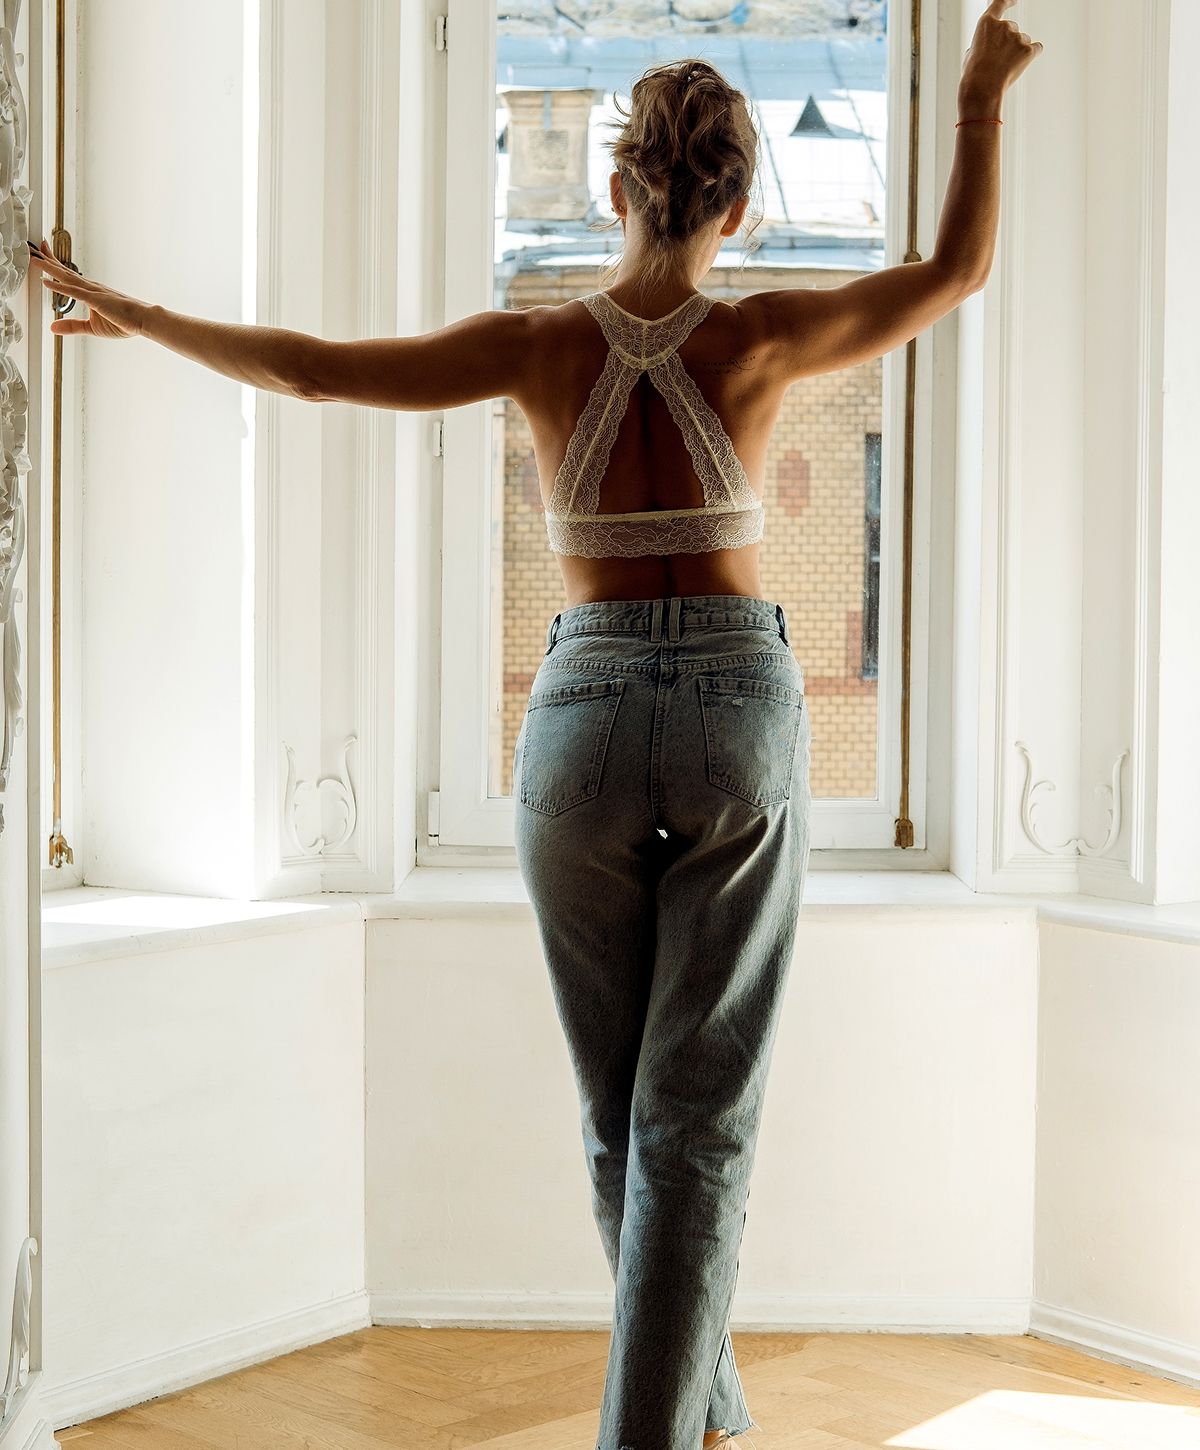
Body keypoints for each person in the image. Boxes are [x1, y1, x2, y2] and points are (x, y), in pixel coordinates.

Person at [27, 5, 1040, 1445]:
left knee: (620, 1115)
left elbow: (312, 366)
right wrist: (983, 93)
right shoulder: (760, 337)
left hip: (578, 720)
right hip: (738, 712)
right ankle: (666, 1427)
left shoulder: (540, 348)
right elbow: (956, 268)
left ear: (620, 188)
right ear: (737, 204)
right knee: (700, 1113)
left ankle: (704, 1411)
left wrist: (128, 311)